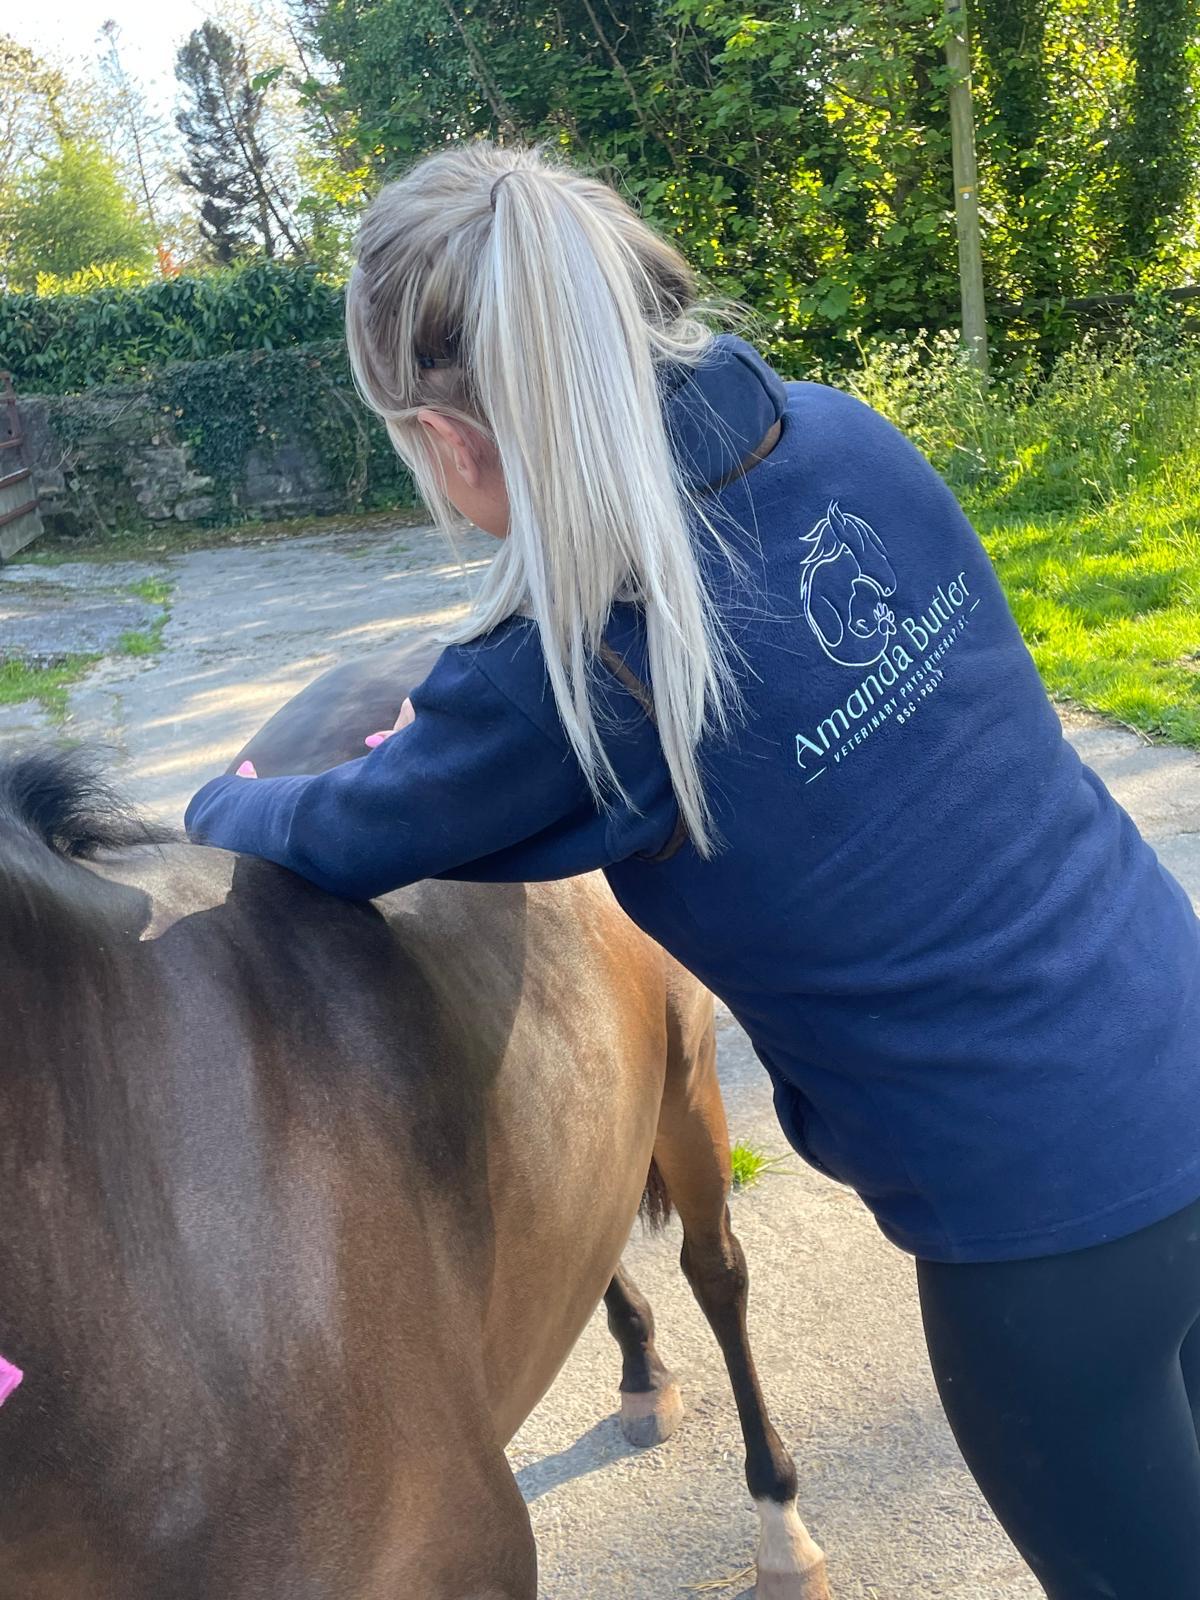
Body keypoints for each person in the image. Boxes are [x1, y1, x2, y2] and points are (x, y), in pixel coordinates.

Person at [185, 142, 1200, 1600]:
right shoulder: (843, 436)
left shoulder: (587, 662)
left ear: (452, 440)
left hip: (1044, 1240)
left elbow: (345, 832)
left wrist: (229, 800)